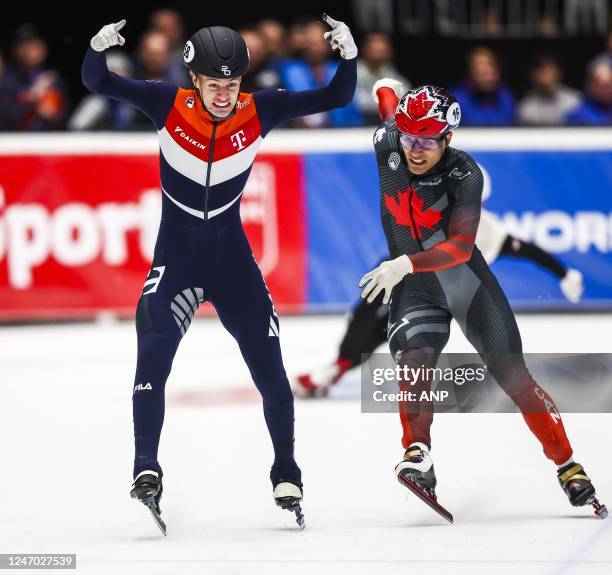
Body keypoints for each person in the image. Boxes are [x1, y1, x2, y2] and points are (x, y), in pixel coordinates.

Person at [82, 14, 358, 530]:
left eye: (232, 85)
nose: (225, 95)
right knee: (153, 357)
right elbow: (97, 82)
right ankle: (146, 467)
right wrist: (97, 48)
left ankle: (286, 468)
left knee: (272, 376)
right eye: (214, 85)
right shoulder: (166, 102)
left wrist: (349, 57)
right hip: (178, 262)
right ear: (195, 81)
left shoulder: (263, 108)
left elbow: (338, 97)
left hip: (233, 266)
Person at [310, 78, 602, 516]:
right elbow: (389, 108)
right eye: (409, 138)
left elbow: (462, 248)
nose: (415, 149)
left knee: (513, 375)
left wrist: (404, 263)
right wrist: (385, 87)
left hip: (466, 283)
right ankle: (418, 455)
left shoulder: (465, 174)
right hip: (419, 289)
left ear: (448, 138)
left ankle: (568, 466)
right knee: (414, 361)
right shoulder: (390, 141)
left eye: (428, 141)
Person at [280, 19, 363, 127]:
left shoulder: (340, 69)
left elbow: (351, 108)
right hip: (301, 133)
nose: (315, 48)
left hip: (343, 131)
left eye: (319, 43)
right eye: (311, 43)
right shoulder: (290, 70)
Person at [1, 24, 68, 131]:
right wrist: (33, 97)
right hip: (13, 140)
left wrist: (52, 114)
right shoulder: (7, 78)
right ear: (15, 50)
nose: (31, 51)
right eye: (25, 46)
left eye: (35, 45)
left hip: (46, 140)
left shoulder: (52, 78)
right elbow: (8, 114)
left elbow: (64, 117)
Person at [356, 32, 410, 125]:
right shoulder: (349, 76)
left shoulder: (399, 83)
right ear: (364, 50)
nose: (378, 55)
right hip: (353, 127)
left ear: (390, 53)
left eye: (382, 51)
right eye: (373, 50)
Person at [453, 47, 515, 126]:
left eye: (489, 67)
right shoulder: (456, 101)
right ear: (470, 72)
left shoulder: (506, 97)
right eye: (479, 69)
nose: (485, 75)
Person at [518, 55, 581, 125]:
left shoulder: (575, 100)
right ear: (532, 75)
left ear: (559, 71)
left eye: (549, 67)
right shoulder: (526, 107)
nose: (545, 73)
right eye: (540, 69)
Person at [565, 59, 612, 125]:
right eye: (604, 86)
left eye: (610, 84)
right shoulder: (577, 115)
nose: (609, 89)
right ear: (590, 85)